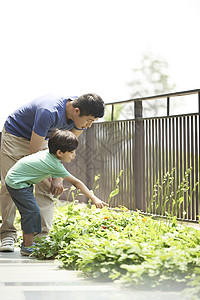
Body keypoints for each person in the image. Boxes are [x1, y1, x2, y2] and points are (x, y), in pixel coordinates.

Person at [0, 93, 105, 252]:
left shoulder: (80, 118)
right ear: (76, 111)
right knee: (10, 184)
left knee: (48, 189)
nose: (89, 125)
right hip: (16, 135)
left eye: (93, 122)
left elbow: (63, 148)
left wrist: (56, 178)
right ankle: (7, 233)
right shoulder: (49, 112)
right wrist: (51, 177)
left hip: (44, 139)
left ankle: (41, 237)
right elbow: (34, 154)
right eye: (89, 120)